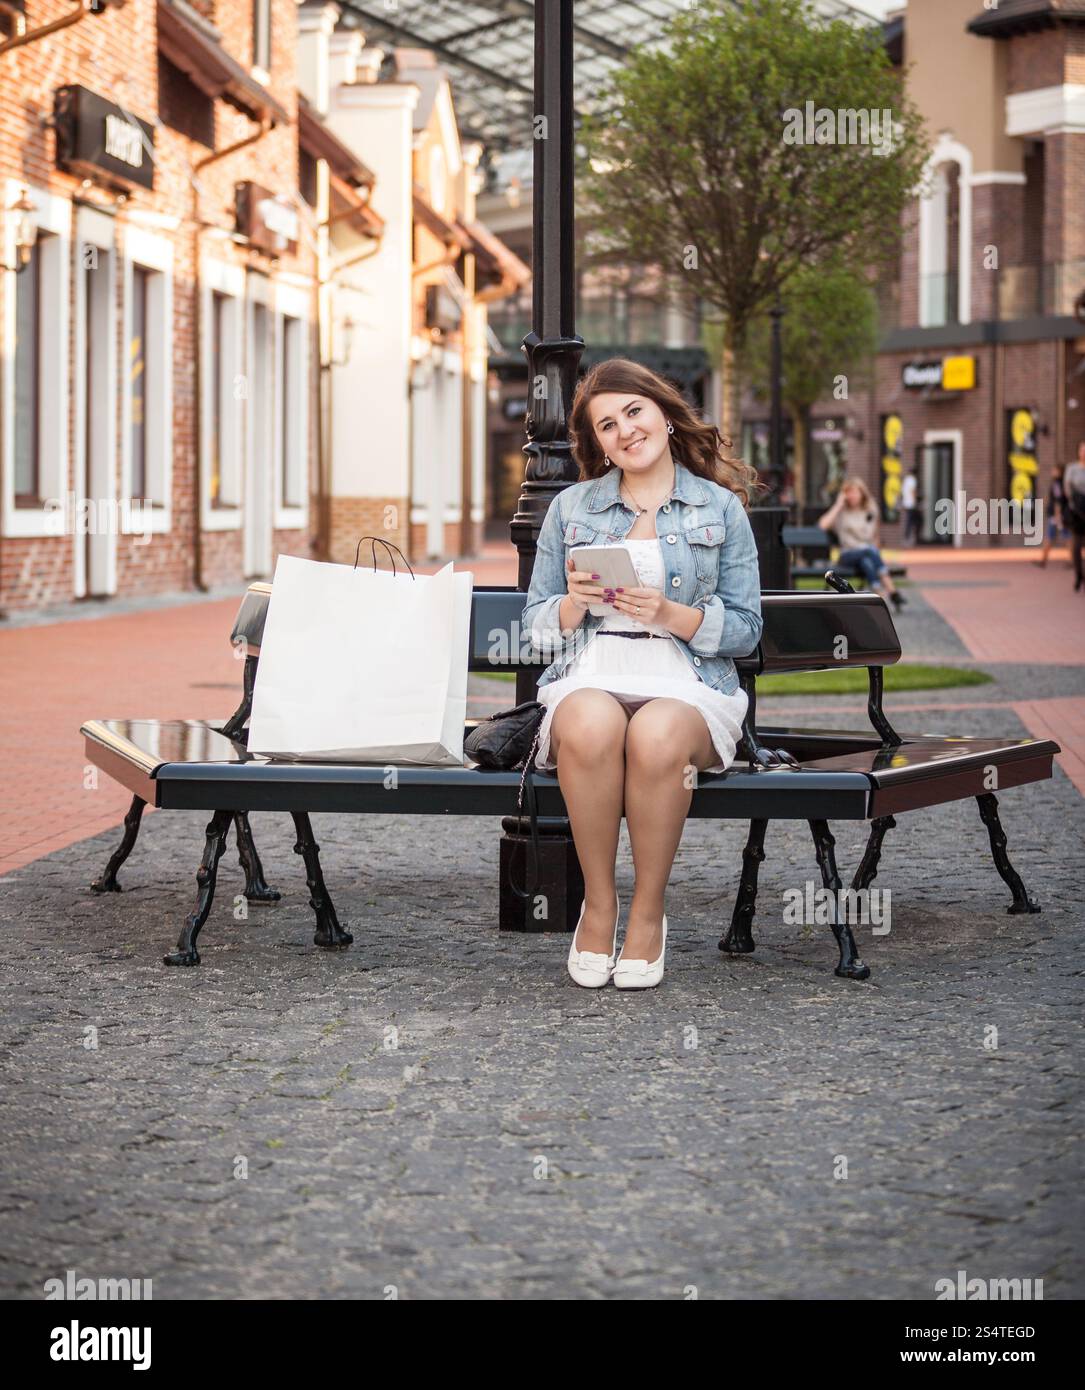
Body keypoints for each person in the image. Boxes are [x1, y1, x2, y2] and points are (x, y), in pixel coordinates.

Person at [521, 358, 764, 991]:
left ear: (661, 411)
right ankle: (598, 906)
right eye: (607, 424)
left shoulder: (720, 508)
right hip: (595, 670)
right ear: (594, 442)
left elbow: (746, 628)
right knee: (588, 724)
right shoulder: (571, 509)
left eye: (633, 412)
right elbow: (537, 628)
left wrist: (671, 614)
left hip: (688, 682)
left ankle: (648, 915)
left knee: (655, 736)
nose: (626, 430)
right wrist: (573, 604)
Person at [817, 476, 906, 611]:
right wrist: (838, 504)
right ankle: (892, 591)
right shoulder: (841, 512)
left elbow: (874, 537)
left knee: (867, 562)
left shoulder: (870, 511)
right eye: (848, 492)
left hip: (867, 554)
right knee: (869, 551)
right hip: (847, 555)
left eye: (854, 492)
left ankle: (879, 599)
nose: (851, 496)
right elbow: (823, 525)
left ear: (862, 493)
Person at [1032, 464, 1068, 569]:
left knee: (1057, 536)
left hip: (1056, 515)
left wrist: (1057, 514)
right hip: (1058, 514)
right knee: (1064, 536)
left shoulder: (1057, 484)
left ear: (1059, 472)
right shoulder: (1061, 483)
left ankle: (1044, 560)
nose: (1052, 471)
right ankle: (1044, 559)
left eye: (1054, 470)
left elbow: (1058, 500)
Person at [1064, 441, 1085, 593]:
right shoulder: (1072, 469)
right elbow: (1067, 488)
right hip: (1077, 512)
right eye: (1082, 450)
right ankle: (1079, 575)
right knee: (1077, 546)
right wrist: (1074, 503)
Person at [900, 468, 921, 547]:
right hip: (911, 504)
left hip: (906, 503)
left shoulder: (906, 480)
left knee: (911, 520)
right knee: (912, 521)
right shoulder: (912, 480)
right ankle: (908, 538)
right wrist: (915, 502)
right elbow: (913, 491)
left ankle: (909, 537)